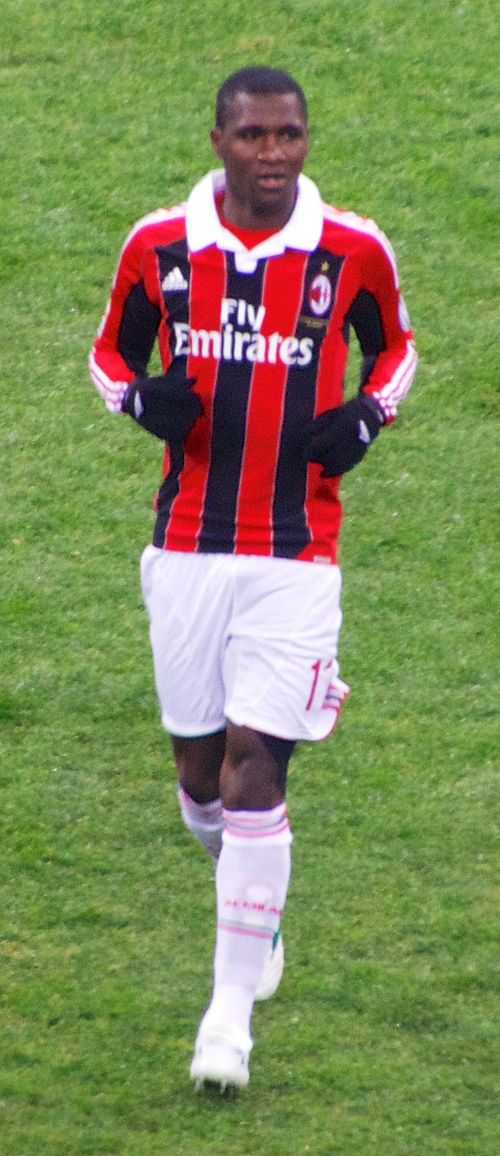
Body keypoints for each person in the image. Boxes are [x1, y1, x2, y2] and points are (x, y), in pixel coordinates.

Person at [89, 65, 417, 1092]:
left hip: (294, 553)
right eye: (254, 136)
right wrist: (140, 402)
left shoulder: (349, 250)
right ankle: (251, 914)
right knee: (199, 777)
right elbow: (109, 355)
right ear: (219, 140)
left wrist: (367, 416)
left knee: (254, 768)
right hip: (185, 546)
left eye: (290, 135)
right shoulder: (159, 248)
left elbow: (394, 350)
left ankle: (226, 1020)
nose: (274, 154)